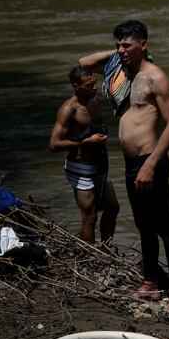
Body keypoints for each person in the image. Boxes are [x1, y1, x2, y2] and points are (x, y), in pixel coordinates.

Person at [79, 20, 169, 319]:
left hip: (150, 161)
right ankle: (150, 282)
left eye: (127, 45)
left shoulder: (155, 78)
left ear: (144, 44)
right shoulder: (122, 72)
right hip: (131, 163)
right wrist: (118, 54)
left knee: (166, 229)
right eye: (117, 45)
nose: (120, 50)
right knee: (143, 225)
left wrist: (151, 164)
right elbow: (84, 63)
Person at [49, 65, 119, 245]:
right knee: (90, 217)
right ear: (76, 86)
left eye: (94, 83)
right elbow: (54, 144)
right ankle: (92, 256)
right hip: (80, 166)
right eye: (89, 85)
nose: (94, 87)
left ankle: (106, 250)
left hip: (99, 163)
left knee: (112, 207)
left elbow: (98, 125)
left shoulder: (94, 100)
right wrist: (85, 142)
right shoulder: (68, 109)